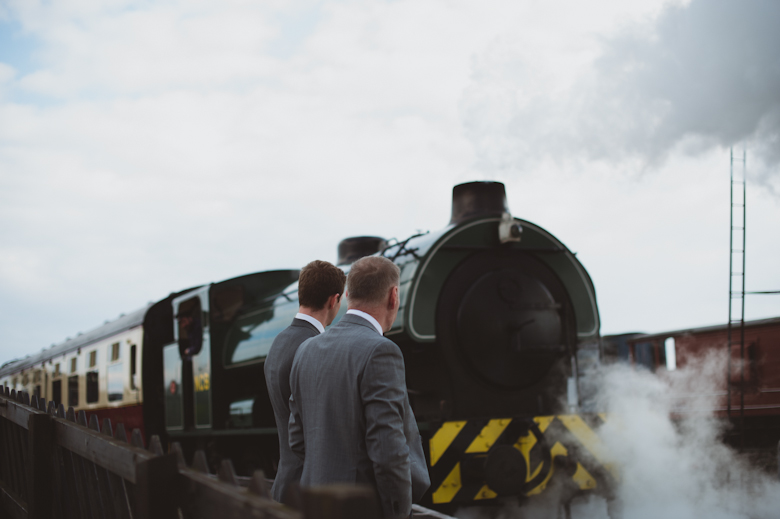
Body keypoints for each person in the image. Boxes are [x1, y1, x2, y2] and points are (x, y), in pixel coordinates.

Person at [288, 256, 430, 519]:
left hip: (313, 505)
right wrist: (398, 513)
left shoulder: (305, 349)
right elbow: (389, 452)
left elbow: (297, 440)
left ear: (349, 294)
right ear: (393, 296)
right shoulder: (380, 350)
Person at [264, 259, 346, 504]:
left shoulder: (278, 343)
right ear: (334, 300)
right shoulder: (314, 349)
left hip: (285, 482)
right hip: (308, 493)